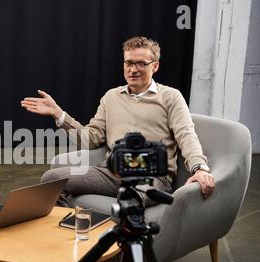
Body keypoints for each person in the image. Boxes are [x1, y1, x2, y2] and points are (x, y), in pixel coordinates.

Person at [21, 36, 216, 206]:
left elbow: (186, 134)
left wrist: (199, 169)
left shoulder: (170, 97)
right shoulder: (111, 97)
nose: (133, 69)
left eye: (141, 63)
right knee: (52, 179)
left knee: (129, 199)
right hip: (111, 173)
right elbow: (90, 139)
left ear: (155, 66)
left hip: (152, 177)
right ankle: (70, 238)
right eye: (128, 63)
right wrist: (59, 115)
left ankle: (122, 248)